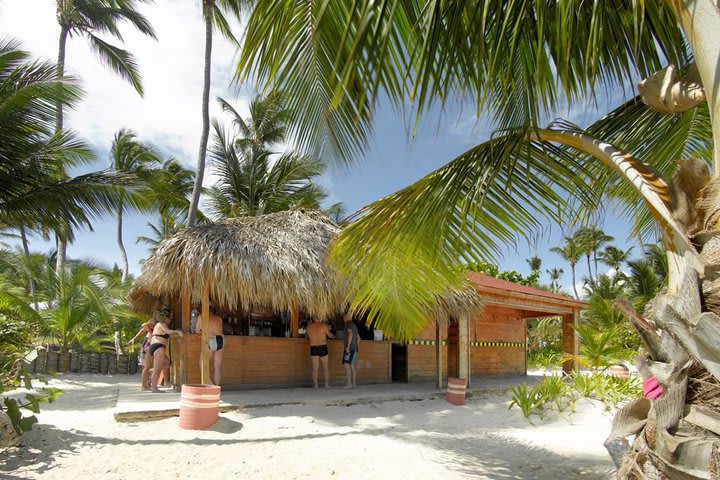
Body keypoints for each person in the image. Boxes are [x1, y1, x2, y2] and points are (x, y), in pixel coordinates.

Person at [148, 308, 183, 393]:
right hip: (159, 347)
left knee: (168, 363)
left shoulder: (157, 325)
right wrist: (177, 332)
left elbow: (165, 333)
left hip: (154, 346)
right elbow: (167, 331)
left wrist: (175, 332)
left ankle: (151, 375)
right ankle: (154, 389)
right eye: (170, 318)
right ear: (166, 318)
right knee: (157, 369)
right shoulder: (162, 324)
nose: (170, 320)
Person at [196, 307, 224, 386]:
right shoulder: (219, 318)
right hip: (220, 339)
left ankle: (209, 383)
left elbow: (197, 331)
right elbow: (220, 329)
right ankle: (217, 387)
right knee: (217, 366)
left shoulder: (201, 317)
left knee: (203, 363)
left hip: (210, 338)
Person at [127, 315, 157, 390]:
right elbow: (143, 326)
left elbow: (143, 329)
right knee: (146, 366)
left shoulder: (157, 325)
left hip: (151, 345)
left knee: (149, 366)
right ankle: (144, 386)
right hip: (147, 345)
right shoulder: (152, 324)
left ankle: (147, 383)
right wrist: (151, 331)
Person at [307, 318, 335, 388]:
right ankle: (326, 385)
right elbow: (330, 335)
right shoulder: (324, 326)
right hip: (322, 347)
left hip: (313, 347)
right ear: (320, 318)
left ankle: (316, 385)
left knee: (315, 368)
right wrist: (335, 336)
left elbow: (308, 336)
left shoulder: (309, 326)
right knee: (325, 367)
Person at [342, 312, 360, 388]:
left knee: (347, 365)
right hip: (354, 348)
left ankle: (349, 384)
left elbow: (350, 333)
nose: (343, 319)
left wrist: (348, 345)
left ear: (348, 317)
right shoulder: (354, 325)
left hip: (350, 349)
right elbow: (359, 338)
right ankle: (354, 384)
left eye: (344, 317)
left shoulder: (348, 324)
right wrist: (355, 344)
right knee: (351, 365)